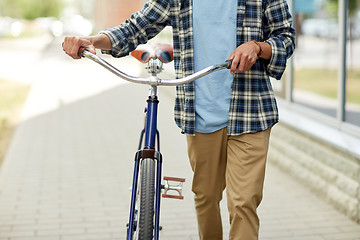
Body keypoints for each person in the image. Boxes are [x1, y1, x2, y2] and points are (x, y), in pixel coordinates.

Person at [62, 0, 295, 239]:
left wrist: (257, 47)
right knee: (206, 197)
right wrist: (92, 41)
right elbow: (135, 28)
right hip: (201, 114)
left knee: (243, 203)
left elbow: (285, 37)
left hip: (250, 112)